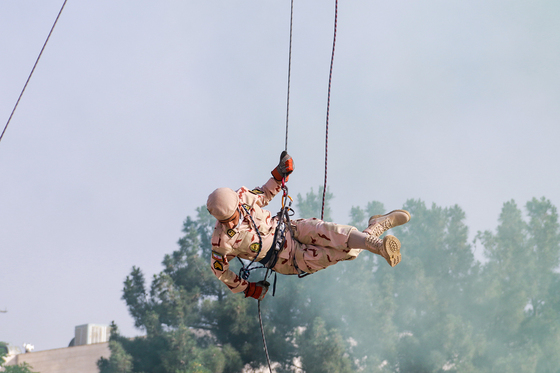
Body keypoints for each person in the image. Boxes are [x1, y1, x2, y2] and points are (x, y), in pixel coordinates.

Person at [207, 152, 411, 300]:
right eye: (226, 222)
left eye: (233, 216)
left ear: (235, 203)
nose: (232, 222)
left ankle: (377, 245)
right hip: (287, 260)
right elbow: (221, 272)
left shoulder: (242, 197)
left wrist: (279, 174)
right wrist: (249, 289)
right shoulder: (222, 242)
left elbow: (265, 193)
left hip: (289, 228)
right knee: (345, 252)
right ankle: (377, 227)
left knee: (332, 232)